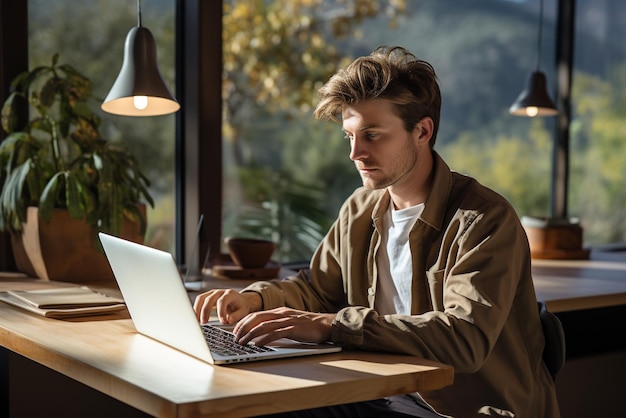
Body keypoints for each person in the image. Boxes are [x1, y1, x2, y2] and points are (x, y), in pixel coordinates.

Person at [194, 45, 560, 417]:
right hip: (384, 394)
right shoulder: (360, 207)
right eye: (350, 136)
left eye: (373, 135)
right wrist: (256, 300)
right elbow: (317, 289)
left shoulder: (484, 219)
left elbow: (465, 340)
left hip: (462, 409)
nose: (356, 153)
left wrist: (333, 326)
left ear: (422, 130)